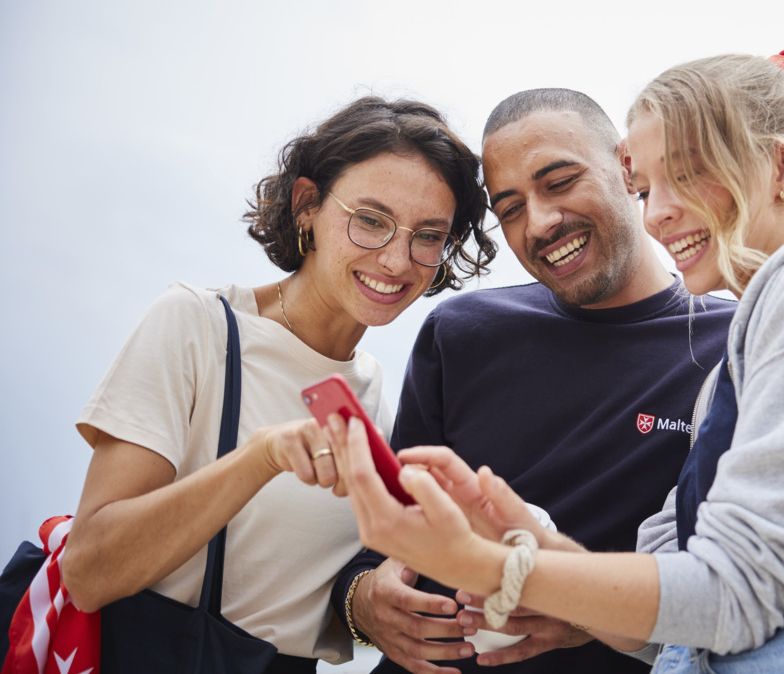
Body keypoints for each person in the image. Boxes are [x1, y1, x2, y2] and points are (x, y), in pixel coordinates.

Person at [328, 49, 784, 674]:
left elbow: (737, 589)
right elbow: (670, 611)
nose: (661, 213)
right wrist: (531, 544)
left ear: (783, 169)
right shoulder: (731, 372)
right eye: (652, 186)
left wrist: (493, 566)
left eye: (685, 177)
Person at [60, 96, 494, 672]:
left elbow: (309, 599)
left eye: (428, 235)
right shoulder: (197, 324)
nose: (396, 260)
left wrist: (371, 609)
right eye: (370, 220)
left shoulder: (376, 397)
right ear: (306, 204)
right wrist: (261, 457)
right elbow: (88, 573)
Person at [331, 89, 735, 674]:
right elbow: (382, 544)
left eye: (560, 181)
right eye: (511, 207)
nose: (540, 223)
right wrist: (364, 601)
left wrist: (582, 608)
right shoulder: (461, 333)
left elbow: (724, 587)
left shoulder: (732, 350)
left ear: (628, 170)